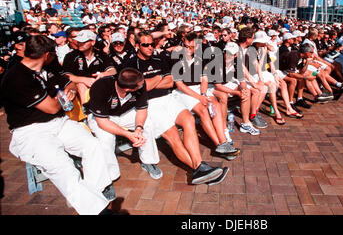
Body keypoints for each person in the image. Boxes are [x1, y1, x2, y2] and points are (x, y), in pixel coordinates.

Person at [0, 35, 114, 215]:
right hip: (31, 131)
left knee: (93, 146)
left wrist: (67, 92)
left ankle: (93, 195)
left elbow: (72, 85)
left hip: (59, 123)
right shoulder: (16, 77)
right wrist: (63, 96)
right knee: (63, 168)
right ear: (46, 54)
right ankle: (97, 210)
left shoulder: (49, 65)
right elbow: (52, 107)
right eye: (52, 53)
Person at [122, 32, 229, 184]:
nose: (150, 47)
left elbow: (170, 82)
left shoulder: (160, 58)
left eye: (152, 44)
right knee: (172, 135)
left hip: (168, 98)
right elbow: (137, 87)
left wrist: (149, 82)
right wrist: (159, 78)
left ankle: (200, 168)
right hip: (149, 103)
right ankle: (198, 168)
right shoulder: (130, 64)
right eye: (145, 45)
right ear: (137, 45)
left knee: (189, 120)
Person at [172, 32, 241, 160]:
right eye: (185, 46)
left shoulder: (200, 58)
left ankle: (223, 141)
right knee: (204, 110)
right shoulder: (176, 58)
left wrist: (203, 94)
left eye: (191, 47)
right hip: (183, 91)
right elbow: (180, 85)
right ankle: (219, 144)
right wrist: (200, 98)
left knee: (215, 106)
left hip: (199, 89)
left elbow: (204, 79)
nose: (187, 49)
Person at [62, 30, 117, 104]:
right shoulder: (71, 56)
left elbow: (113, 70)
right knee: (81, 85)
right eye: (79, 41)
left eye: (83, 42)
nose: (80, 44)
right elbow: (66, 75)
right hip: (77, 89)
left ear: (93, 42)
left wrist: (103, 74)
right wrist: (84, 80)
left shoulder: (101, 55)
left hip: (99, 86)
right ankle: (87, 110)